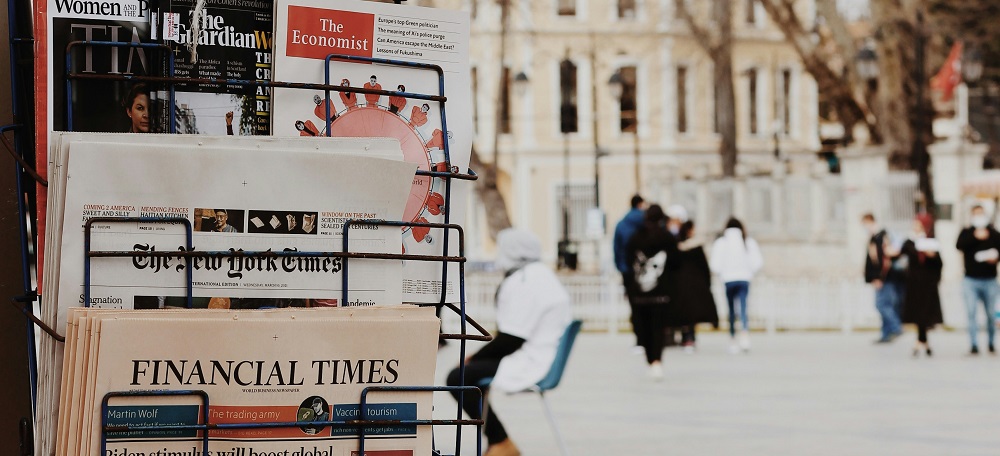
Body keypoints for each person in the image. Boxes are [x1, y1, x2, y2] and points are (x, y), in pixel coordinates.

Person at [446, 228, 571, 456]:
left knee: (458, 377)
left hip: (530, 359)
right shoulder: (540, 274)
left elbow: (512, 339)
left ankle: (500, 442)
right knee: (470, 375)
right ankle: (498, 442)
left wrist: (473, 358)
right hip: (539, 354)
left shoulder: (525, 280)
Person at [625, 205, 677, 379]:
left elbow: (627, 263)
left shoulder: (634, 239)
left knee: (644, 329)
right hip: (661, 294)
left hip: (639, 295)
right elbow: (676, 264)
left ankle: (650, 360)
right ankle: (657, 361)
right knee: (658, 329)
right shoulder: (667, 238)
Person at [710, 217, 763, 354]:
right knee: (744, 307)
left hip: (728, 279)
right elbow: (757, 262)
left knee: (731, 310)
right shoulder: (747, 241)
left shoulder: (722, 242)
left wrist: (722, 273)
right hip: (744, 278)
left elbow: (715, 264)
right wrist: (749, 272)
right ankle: (745, 334)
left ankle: (733, 338)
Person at [667, 217, 719, 354]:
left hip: (680, 286)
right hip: (694, 285)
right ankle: (689, 337)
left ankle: (686, 337)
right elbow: (704, 267)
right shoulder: (695, 248)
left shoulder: (677, 247)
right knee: (690, 314)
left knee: (684, 313)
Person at [955, 204, 1000, 354]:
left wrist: (995, 258)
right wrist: (975, 237)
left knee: (990, 314)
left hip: (990, 280)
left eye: (981, 213)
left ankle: (991, 343)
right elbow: (959, 245)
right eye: (976, 214)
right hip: (971, 280)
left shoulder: (993, 232)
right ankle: (974, 344)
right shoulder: (967, 232)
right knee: (971, 312)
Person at [899, 218, 943, 357]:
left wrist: (931, 255)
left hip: (928, 283)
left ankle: (921, 340)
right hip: (914, 283)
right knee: (918, 312)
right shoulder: (909, 242)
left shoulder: (931, 242)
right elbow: (904, 251)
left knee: (926, 312)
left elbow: (939, 263)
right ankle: (923, 341)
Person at [861, 213, 904, 344]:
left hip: (884, 278)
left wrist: (878, 277)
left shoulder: (879, 238)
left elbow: (880, 260)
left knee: (881, 304)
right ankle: (886, 334)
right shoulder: (876, 237)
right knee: (885, 304)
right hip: (884, 278)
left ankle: (896, 327)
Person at [613, 194, 646, 349]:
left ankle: (639, 339)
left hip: (628, 272)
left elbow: (616, 249)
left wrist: (623, 269)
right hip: (647, 271)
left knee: (634, 306)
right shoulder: (646, 222)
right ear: (641, 204)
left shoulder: (621, 224)